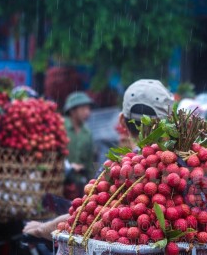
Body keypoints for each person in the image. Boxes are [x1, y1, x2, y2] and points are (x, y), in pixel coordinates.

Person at [23, 79, 174, 240]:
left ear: (122, 120)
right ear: (169, 123)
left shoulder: (115, 170)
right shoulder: (185, 166)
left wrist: (41, 229)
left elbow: (82, 218)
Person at [62, 92, 95, 199]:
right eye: (83, 108)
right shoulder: (60, 127)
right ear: (72, 111)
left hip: (78, 186)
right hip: (58, 182)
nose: (87, 112)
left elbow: (90, 162)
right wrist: (68, 168)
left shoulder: (88, 133)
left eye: (88, 109)